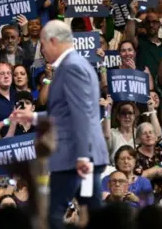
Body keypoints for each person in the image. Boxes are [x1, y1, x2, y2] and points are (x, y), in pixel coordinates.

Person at [13, 20, 108, 229]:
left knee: (51, 215)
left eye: (43, 45)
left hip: (75, 158)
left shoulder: (72, 67)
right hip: (81, 157)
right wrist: (34, 118)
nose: (42, 50)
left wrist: (83, 157)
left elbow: (81, 115)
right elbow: (66, 113)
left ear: (53, 41)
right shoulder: (73, 65)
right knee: (92, 212)